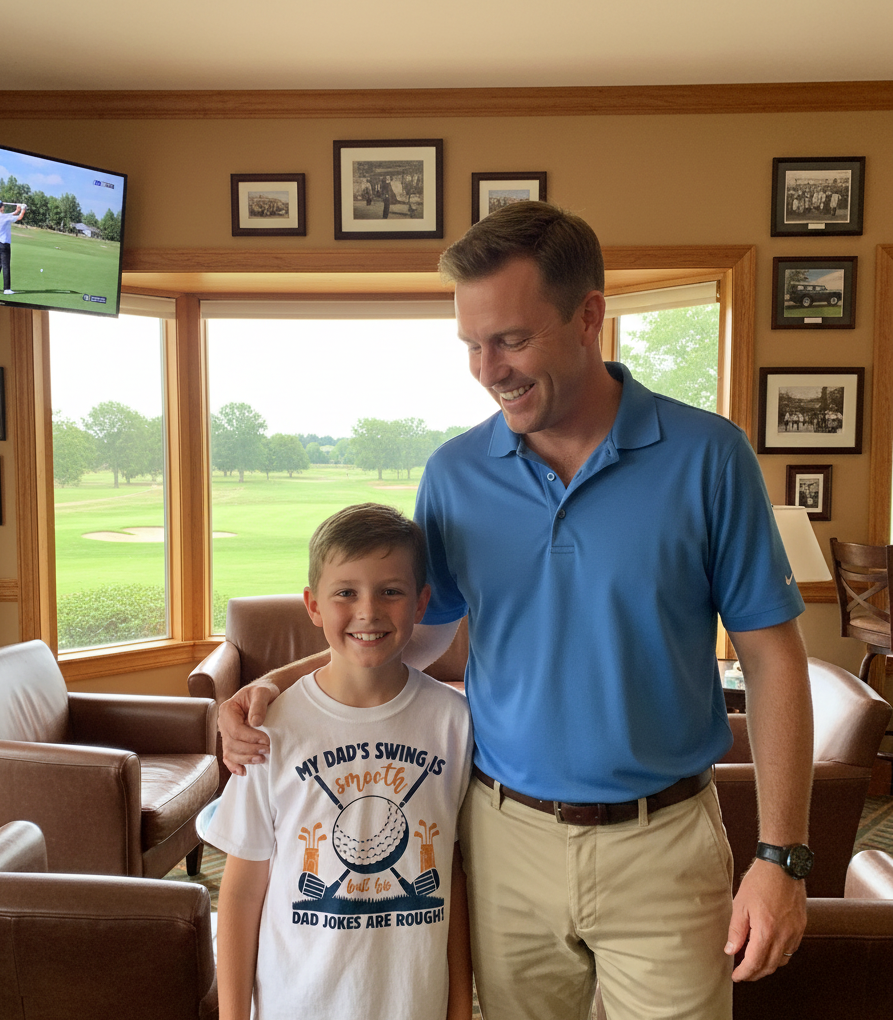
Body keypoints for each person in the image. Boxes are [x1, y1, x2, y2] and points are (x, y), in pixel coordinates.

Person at [219, 202, 813, 1020]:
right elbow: (410, 638)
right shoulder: (455, 475)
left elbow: (773, 659)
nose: (487, 368)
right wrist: (277, 686)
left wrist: (781, 857)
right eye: (471, 344)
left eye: (511, 339)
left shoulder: (709, 457)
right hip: (503, 838)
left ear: (589, 316)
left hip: (664, 841)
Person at [207, 503, 474, 1020]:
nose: (368, 611)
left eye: (390, 591)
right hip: (298, 1002)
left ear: (422, 603)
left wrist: (459, 1008)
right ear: (312, 605)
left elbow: (453, 873)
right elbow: (240, 894)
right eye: (345, 592)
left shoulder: (452, 722)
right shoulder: (271, 729)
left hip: (412, 1002)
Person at [0, 201, 26, 295]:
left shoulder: (4, 216)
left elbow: (12, 214)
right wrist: (23, 209)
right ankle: (7, 289)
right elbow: (19, 217)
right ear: (1, 208)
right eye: (3, 206)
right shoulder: (5, 217)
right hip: (4, 244)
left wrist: (17, 210)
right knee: (5, 266)